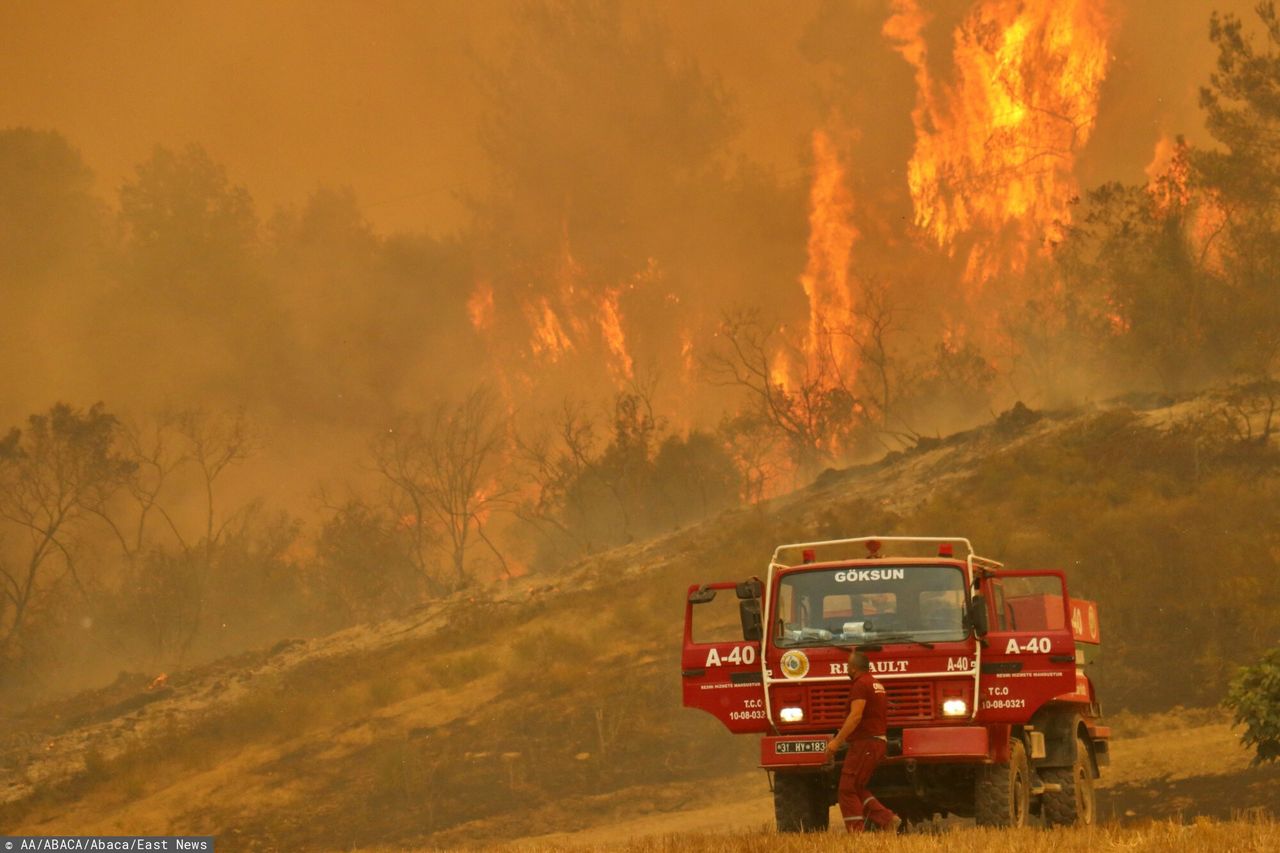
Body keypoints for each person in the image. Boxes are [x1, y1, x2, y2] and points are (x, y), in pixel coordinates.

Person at [823, 648, 901, 833]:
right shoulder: (875, 683)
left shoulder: (860, 684)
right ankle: (887, 819)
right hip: (877, 742)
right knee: (857, 787)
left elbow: (855, 716)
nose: (845, 669)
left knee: (846, 789)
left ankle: (856, 832)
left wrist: (836, 741)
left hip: (864, 743)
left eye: (847, 666)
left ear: (853, 668)